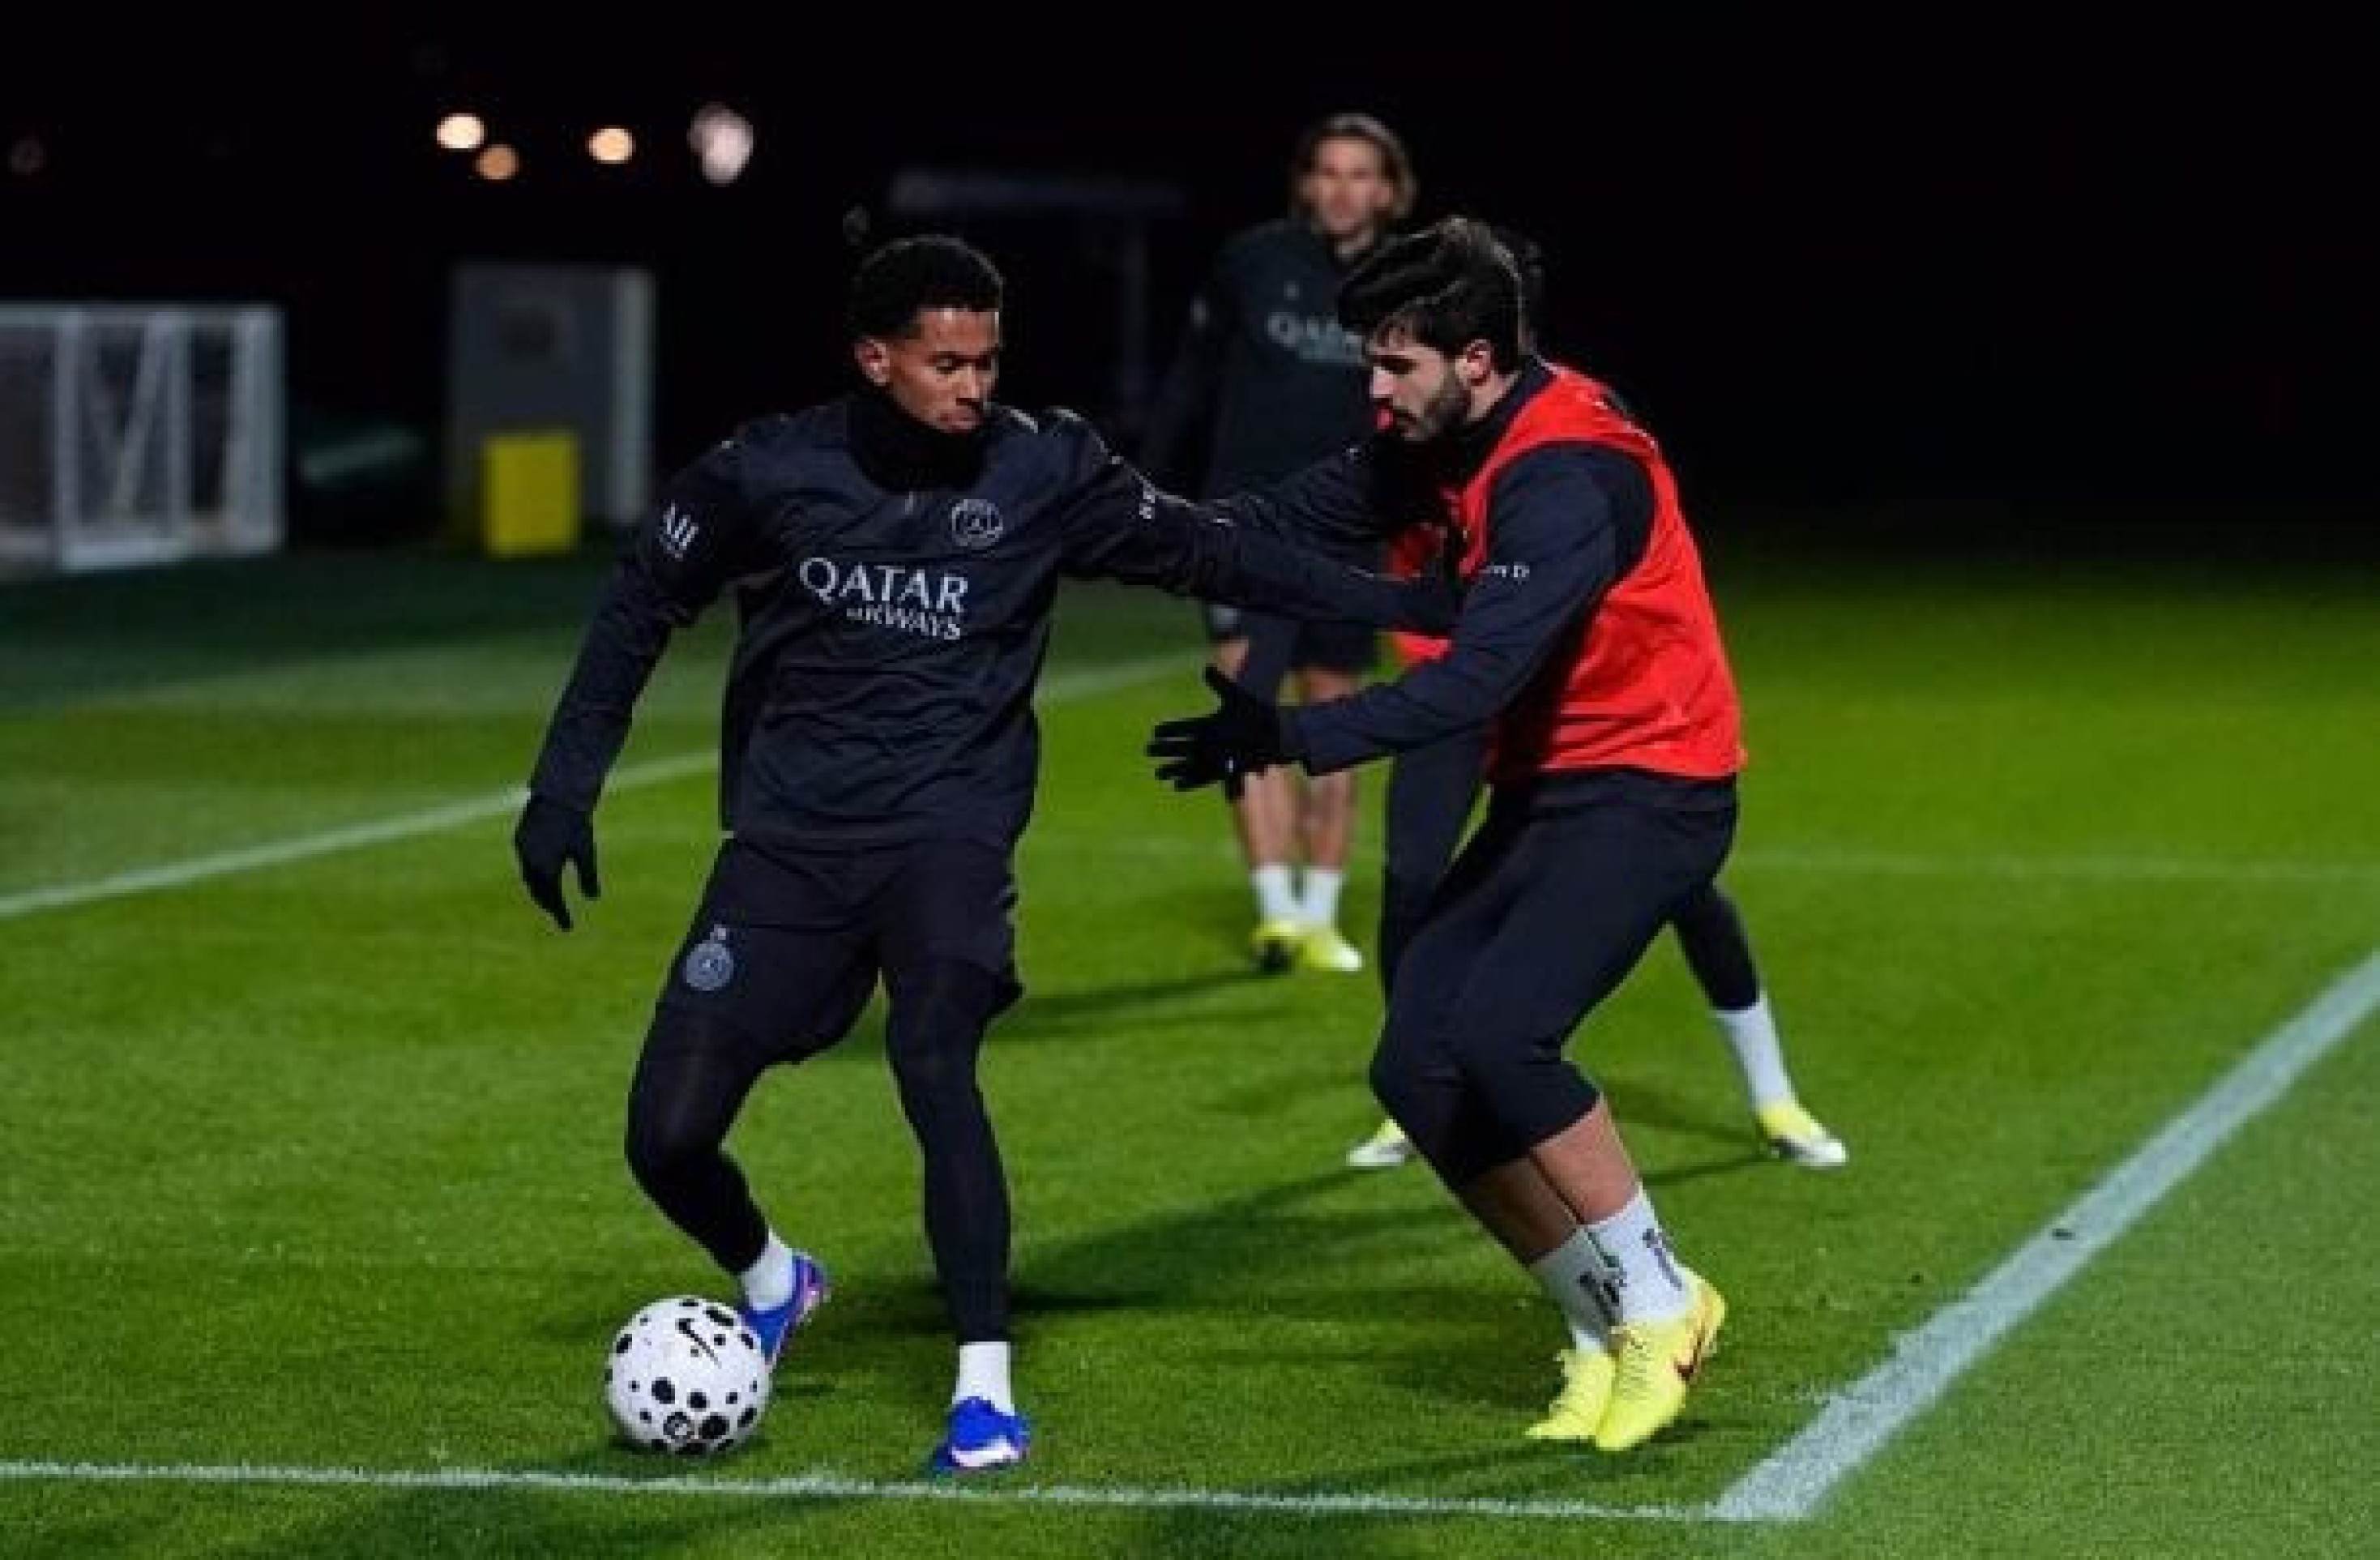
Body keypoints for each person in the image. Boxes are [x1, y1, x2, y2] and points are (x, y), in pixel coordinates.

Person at [513, 235, 1449, 1477]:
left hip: (952, 828)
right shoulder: (768, 469)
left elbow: (1208, 549)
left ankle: (984, 1388)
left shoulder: (1044, 464)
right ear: (874, 358)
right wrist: (565, 786)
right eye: (945, 361)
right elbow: (642, 594)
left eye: (988, 358)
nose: (972, 383)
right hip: (790, 843)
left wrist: (1406, 607)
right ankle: (774, 1281)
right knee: (666, 1138)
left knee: (933, 1053)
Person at [1147, 217, 1745, 1452]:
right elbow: (1284, 519)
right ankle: (1593, 1323)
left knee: (1498, 1031)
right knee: (1413, 1064)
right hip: (1554, 789)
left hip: (1653, 784)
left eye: (1393, 365)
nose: (1369, 388)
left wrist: (1290, 736)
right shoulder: (1437, 434)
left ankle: (1661, 1298)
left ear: (1475, 361)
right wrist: (1116, 527)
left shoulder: (1563, 475)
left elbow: (1471, 680)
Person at [1343, 229, 1845, 1174]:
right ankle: (1416, 1080)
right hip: (1458, 685)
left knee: (1684, 891)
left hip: (1582, 712)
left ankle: (1774, 1092)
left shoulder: (1569, 433)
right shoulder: (1405, 425)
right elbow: (1403, 562)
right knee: (1413, 876)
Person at [1139, 112, 1417, 973]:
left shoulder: (1411, 284)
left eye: (1361, 173)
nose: (1342, 189)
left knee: (1332, 713)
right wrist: (1146, 487)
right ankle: (1277, 911)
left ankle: (1323, 910)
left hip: (1349, 531)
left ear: (1390, 190)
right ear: (1305, 183)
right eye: (1326, 171)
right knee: (1244, 703)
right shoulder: (1251, 262)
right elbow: (1191, 377)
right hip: (1246, 522)